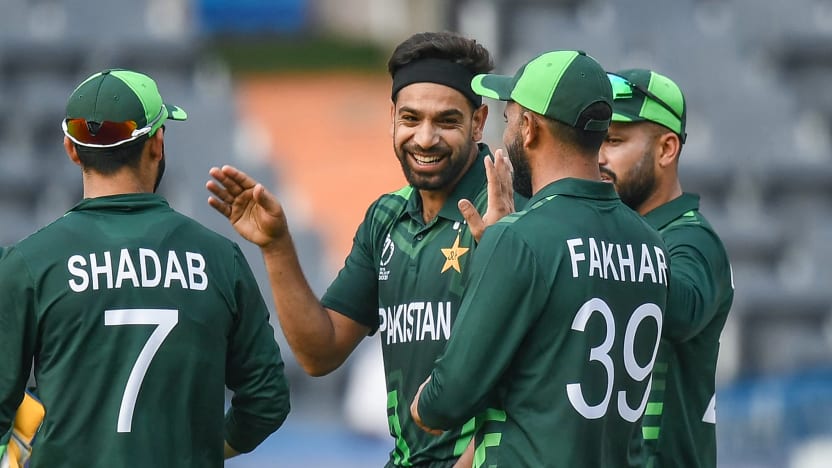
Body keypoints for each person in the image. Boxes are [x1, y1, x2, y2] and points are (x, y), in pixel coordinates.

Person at [206, 31, 521, 467]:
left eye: (446, 121)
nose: (424, 138)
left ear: (479, 121)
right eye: (410, 118)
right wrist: (276, 244)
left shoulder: (505, 210)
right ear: (392, 117)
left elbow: (527, 382)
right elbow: (320, 351)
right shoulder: (385, 218)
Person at [0, 69, 290, 468]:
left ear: (71, 149)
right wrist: (210, 447)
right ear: (157, 144)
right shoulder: (222, 259)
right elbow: (267, 401)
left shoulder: (28, 263)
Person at [410, 50, 670, 467]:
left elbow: (445, 402)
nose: (506, 131)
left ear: (529, 128)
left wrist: (423, 404)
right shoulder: (652, 244)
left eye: (509, 118)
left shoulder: (519, 240)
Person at [599, 68, 734, 467]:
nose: (598, 157)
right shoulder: (607, 233)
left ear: (666, 149)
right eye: (594, 140)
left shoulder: (693, 239)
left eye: (614, 140)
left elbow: (682, 313)